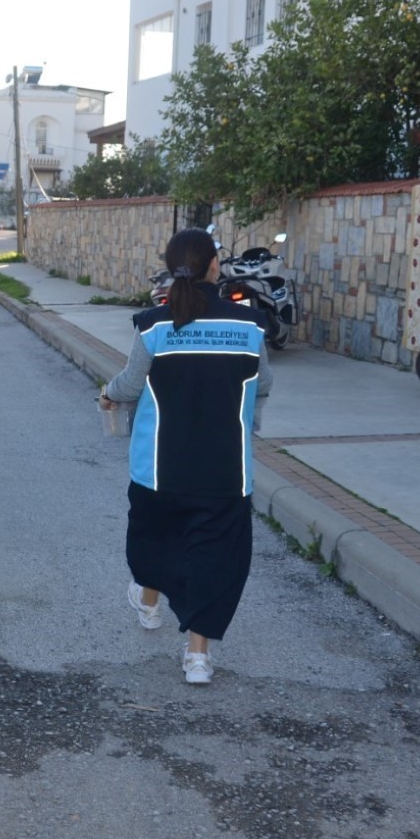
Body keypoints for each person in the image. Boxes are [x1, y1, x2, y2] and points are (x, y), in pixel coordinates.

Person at [98, 227, 273, 685]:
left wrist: (107, 394)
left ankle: (149, 600)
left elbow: (131, 385)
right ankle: (198, 657)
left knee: (158, 542)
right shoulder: (249, 326)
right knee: (215, 559)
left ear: (171, 265)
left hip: (159, 468)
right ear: (215, 266)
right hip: (225, 471)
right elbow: (264, 387)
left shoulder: (155, 324)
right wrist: (248, 424)